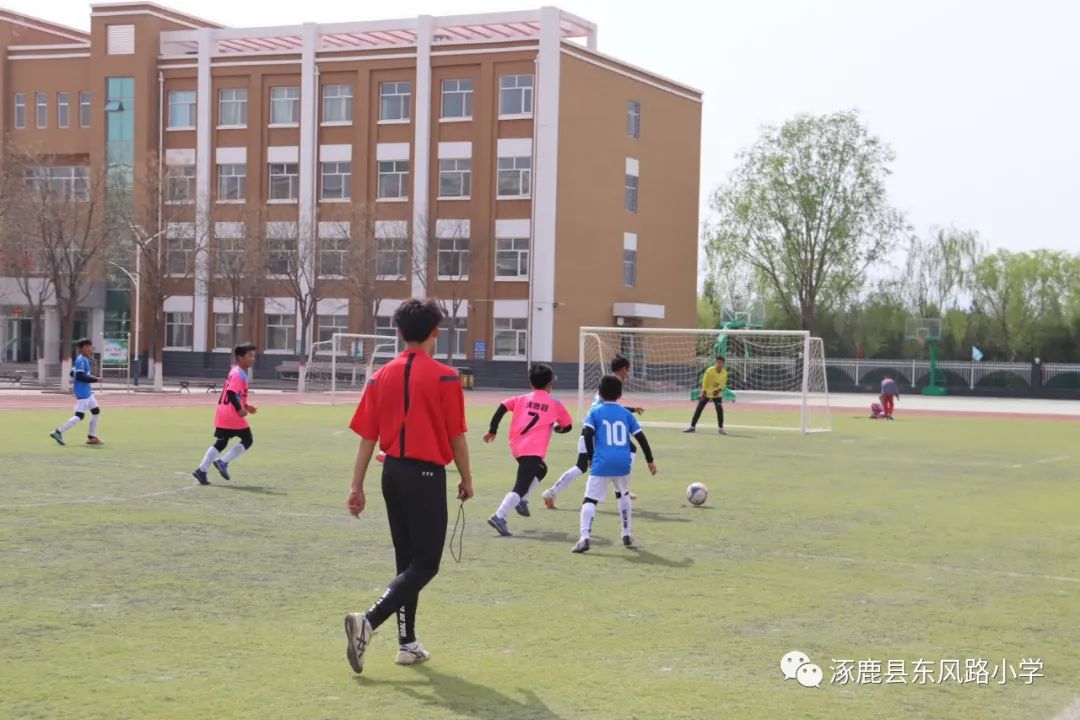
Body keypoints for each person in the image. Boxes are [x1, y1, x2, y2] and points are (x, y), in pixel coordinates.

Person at [343, 298, 474, 674]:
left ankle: (407, 644)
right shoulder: (446, 377)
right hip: (426, 476)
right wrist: (466, 477)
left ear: (398, 332)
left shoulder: (379, 375)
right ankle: (367, 621)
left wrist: (356, 486)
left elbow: (367, 437)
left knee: (407, 563)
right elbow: (457, 436)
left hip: (392, 474)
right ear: (436, 332)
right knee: (426, 564)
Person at [541, 356, 644, 509]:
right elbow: (610, 409)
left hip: (590, 429)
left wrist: (631, 409)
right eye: (627, 370)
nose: (628, 374)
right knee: (630, 449)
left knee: (581, 466)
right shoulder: (614, 384)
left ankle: (551, 492)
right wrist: (631, 410)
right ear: (622, 370)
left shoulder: (606, 383)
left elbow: (609, 407)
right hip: (597, 433)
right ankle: (622, 491)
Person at [483, 364, 573, 536]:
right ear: (550, 384)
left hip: (517, 446)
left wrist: (493, 429)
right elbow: (567, 426)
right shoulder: (554, 403)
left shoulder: (521, 398)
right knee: (520, 485)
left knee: (542, 469)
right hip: (533, 450)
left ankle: (522, 500)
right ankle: (499, 515)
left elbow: (502, 407)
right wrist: (557, 428)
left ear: (531, 384)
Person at [572, 374, 656, 553]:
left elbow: (587, 434)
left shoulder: (595, 412)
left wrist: (590, 457)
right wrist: (650, 460)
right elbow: (641, 438)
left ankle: (584, 537)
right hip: (622, 464)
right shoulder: (626, 414)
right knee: (623, 495)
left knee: (590, 499)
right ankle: (626, 534)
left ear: (600, 393)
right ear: (620, 394)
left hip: (601, 463)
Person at [192, 343, 258, 485]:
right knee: (248, 440)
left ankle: (201, 470)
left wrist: (246, 406)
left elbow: (235, 395)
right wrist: (240, 409)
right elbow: (231, 393)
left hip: (223, 412)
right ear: (240, 357)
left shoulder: (236, 371)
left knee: (221, 443)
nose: (253, 359)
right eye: (249, 356)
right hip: (232, 414)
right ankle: (222, 462)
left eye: (254, 356)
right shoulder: (239, 373)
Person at [50, 338, 104, 446]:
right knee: (79, 416)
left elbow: (72, 373)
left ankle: (91, 437)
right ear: (80, 349)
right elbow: (80, 376)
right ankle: (58, 431)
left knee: (96, 411)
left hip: (87, 392)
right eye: (86, 347)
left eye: (90, 346)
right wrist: (95, 379)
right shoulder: (81, 360)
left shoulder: (84, 359)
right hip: (83, 392)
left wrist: (86, 376)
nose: (89, 349)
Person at [684, 356, 727, 434]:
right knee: (699, 409)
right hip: (706, 392)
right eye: (718, 363)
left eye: (722, 363)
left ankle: (721, 429)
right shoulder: (710, 370)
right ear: (716, 363)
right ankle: (692, 427)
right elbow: (704, 381)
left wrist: (719, 390)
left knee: (719, 410)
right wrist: (703, 391)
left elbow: (723, 384)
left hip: (716, 394)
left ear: (724, 364)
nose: (720, 364)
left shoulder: (724, 373)